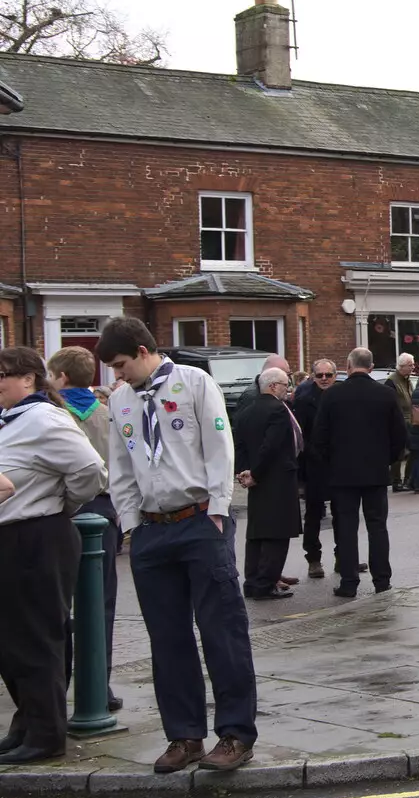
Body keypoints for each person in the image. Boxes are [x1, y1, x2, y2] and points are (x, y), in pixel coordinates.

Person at [97, 317, 257, 774]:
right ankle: (184, 735)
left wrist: (218, 513)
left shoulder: (194, 383)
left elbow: (219, 447)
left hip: (200, 521)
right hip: (152, 530)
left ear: (144, 350)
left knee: (221, 631)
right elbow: (121, 466)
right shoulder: (124, 402)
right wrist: (132, 525)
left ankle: (235, 735)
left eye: (122, 364)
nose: (117, 375)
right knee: (167, 640)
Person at [0, 347, 107, 763]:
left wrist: (62, 504)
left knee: (37, 639)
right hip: (15, 536)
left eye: (3, 375)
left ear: (28, 379)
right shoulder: (14, 419)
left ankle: (46, 736)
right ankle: (28, 724)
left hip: (37, 535)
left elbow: (91, 470)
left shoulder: (45, 418)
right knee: (11, 642)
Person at [47, 346, 122, 710]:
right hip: (104, 511)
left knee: (55, 605)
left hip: (61, 512)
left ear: (59, 377)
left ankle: (55, 688)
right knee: (100, 604)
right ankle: (99, 687)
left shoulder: (50, 414)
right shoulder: (109, 413)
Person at [313, 349, 407, 598]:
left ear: (347, 366)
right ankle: (382, 580)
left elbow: (319, 437)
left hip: (342, 474)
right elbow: (400, 436)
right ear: (372, 366)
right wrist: (387, 460)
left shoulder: (332, 395)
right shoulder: (385, 394)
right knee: (378, 527)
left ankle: (349, 581)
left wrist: (331, 462)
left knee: (346, 527)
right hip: (375, 472)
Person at [232, 368, 303, 600]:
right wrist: (257, 473)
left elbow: (240, 445)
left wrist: (244, 472)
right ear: (273, 386)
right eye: (285, 384)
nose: (288, 388)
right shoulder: (277, 410)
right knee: (277, 534)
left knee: (256, 532)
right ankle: (265, 584)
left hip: (255, 482)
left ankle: (252, 581)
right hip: (276, 480)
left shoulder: (246, 412)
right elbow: (271, 446)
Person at [293, 358, 339, 578]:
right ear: (312, 376)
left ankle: (344, 556)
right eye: (319, 375)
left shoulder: (341, 395)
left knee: (342, 512)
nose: (324, 379)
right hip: (313, 464)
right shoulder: (303, 399)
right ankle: (313, 559)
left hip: (338, 462)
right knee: (313, 514)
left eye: (328, 375)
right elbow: (300, 436)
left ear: (335, 376)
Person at [386, 354, 416, 490]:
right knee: (400, 452)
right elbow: (391, 403)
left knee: (413, 450)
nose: (413, 367)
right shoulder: (392, 381)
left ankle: (407, 480)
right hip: (399, 421)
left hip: (411, 421)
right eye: (410, 365)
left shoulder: (408, 380)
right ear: (402, 366)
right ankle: (396, 481)